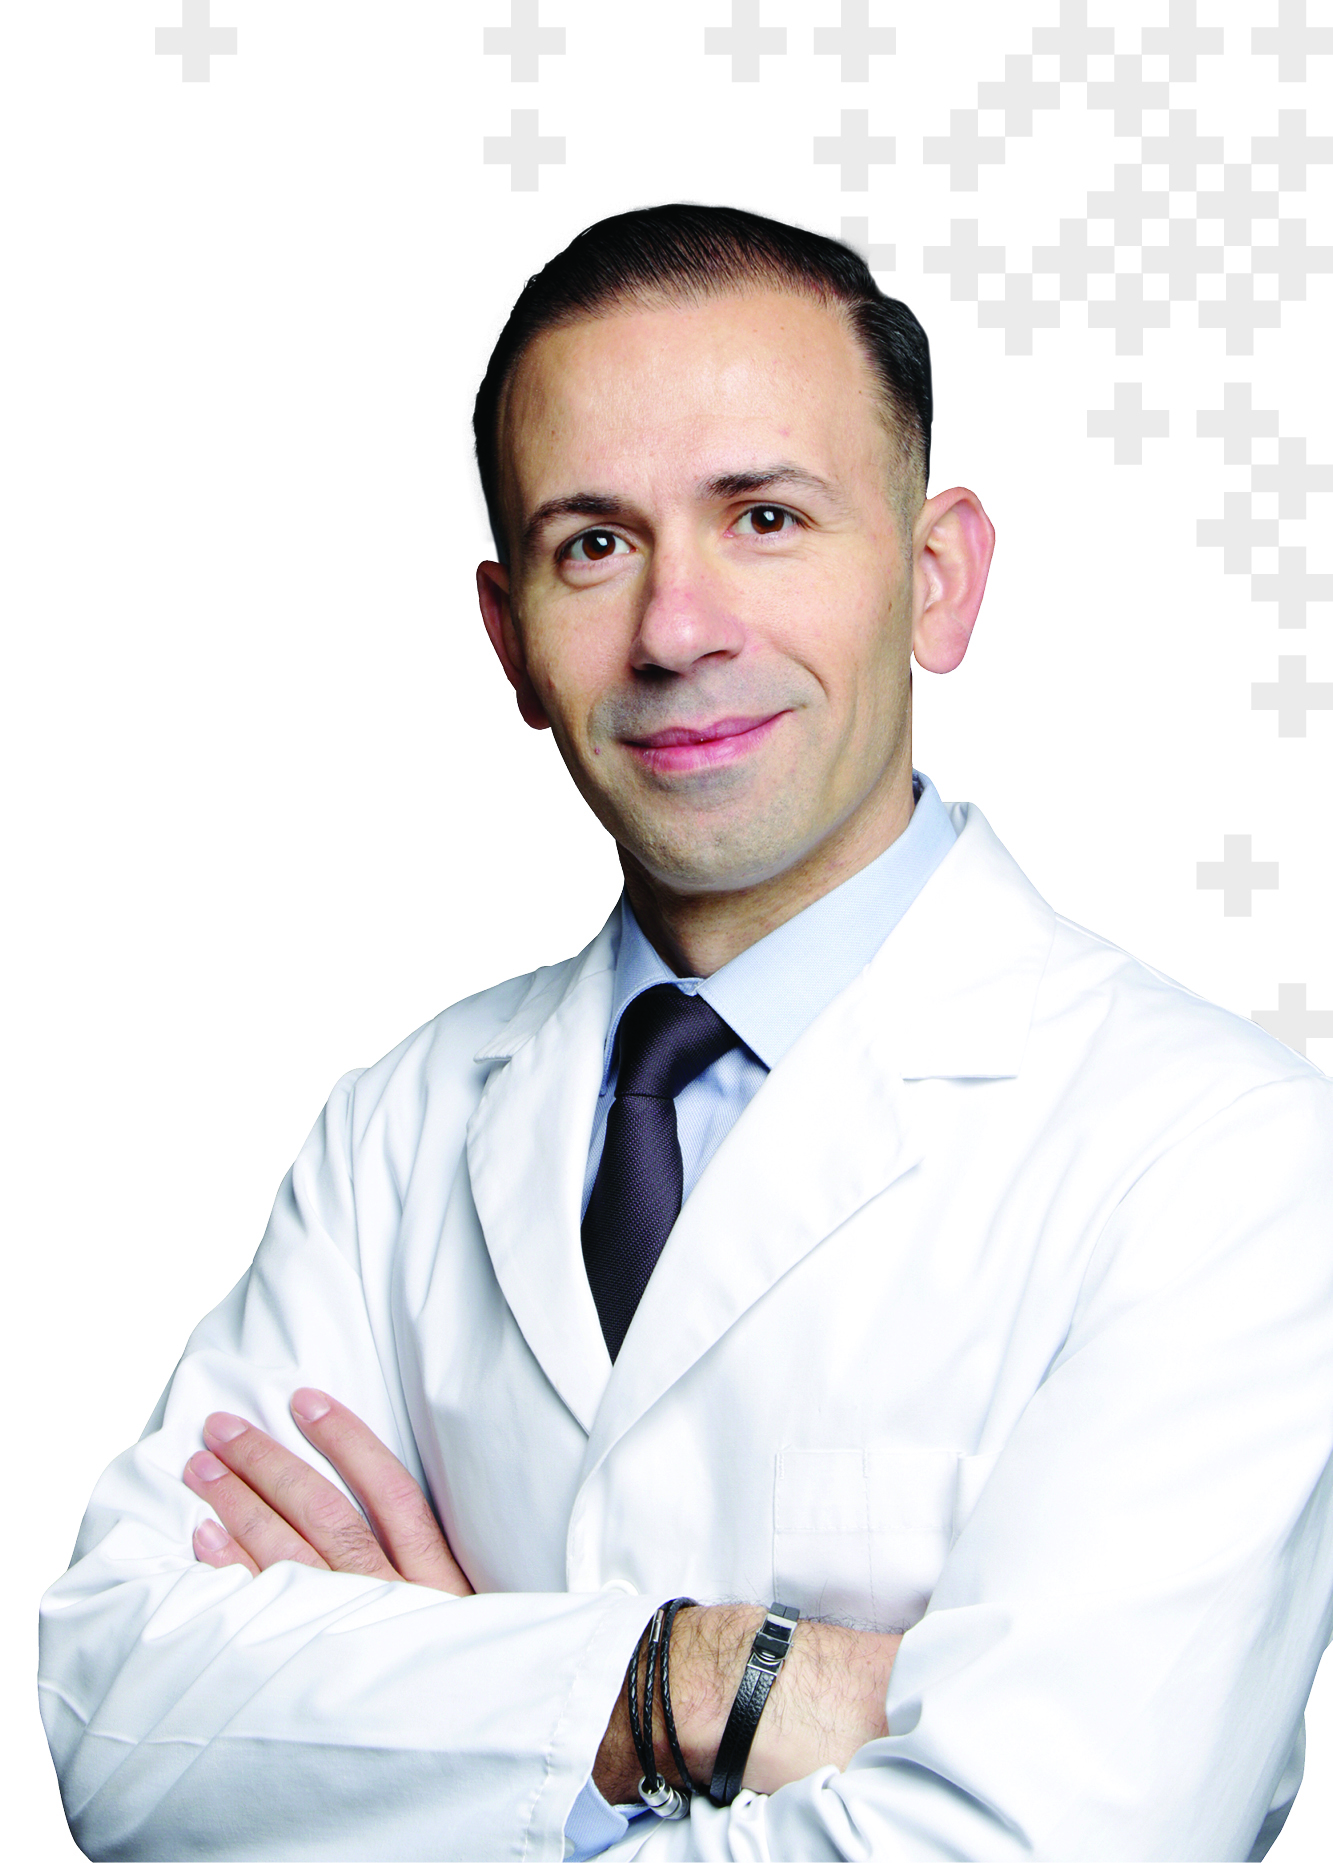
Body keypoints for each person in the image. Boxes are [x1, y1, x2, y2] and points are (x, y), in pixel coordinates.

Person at [38, 204, 1333, 1863]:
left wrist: (415, 1728)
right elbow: (120, 1713)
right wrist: (689, 1678)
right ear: (510, 638)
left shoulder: (1219, 1159)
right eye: (594, 544)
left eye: (766, 517)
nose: (674, 628)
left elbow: (1046, 1845)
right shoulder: (402, 1130)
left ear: (936, 579)